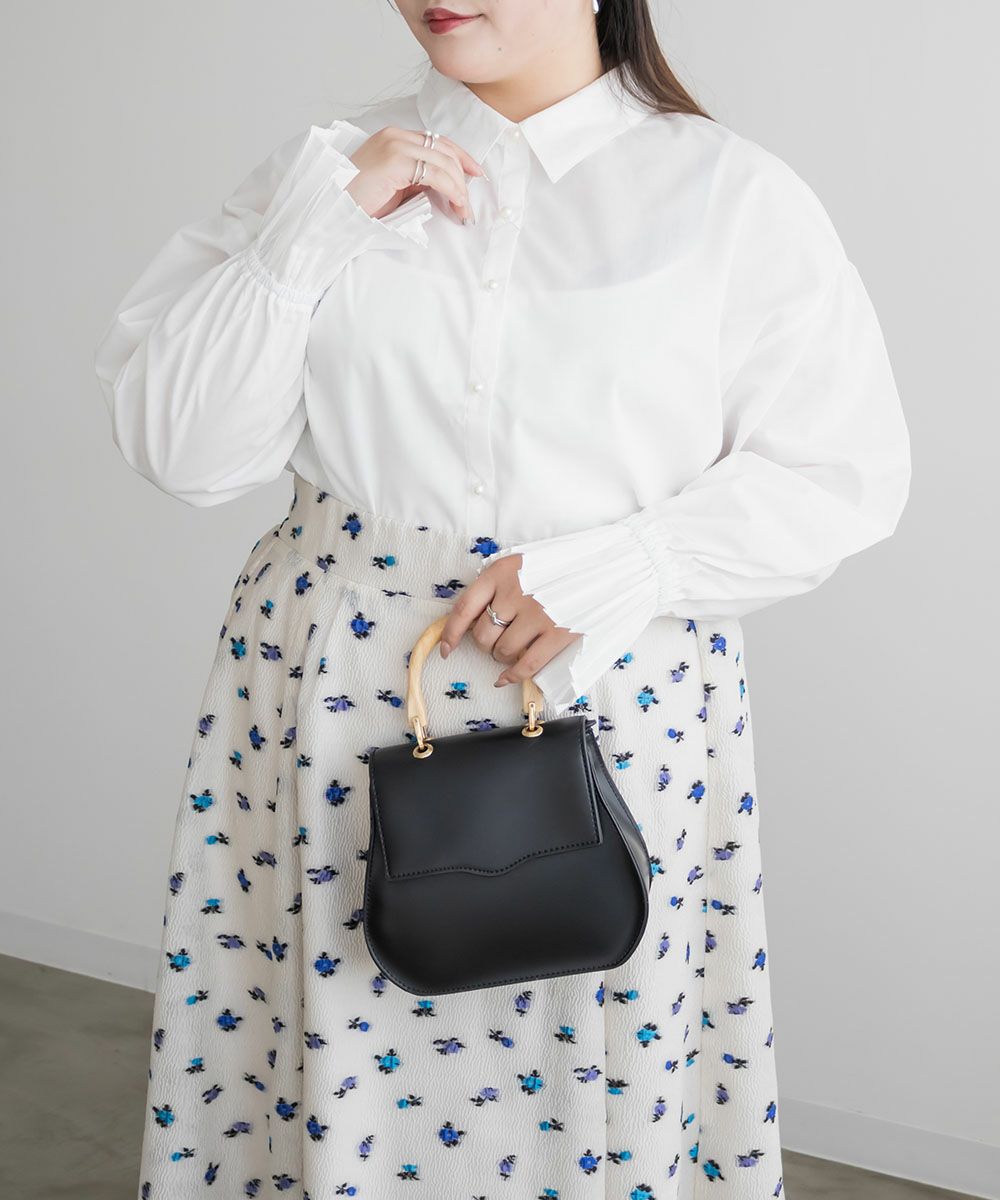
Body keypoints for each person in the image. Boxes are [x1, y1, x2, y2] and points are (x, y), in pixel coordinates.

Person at [93, 1, 911, 1197]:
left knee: (592, 1086)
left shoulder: (728, 193)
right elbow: (183, 450)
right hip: (332, 698)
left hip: (608, 692)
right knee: (323, 1060)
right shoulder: (326, 172)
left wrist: (622, 567)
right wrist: (310, 236)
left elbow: (841, 470)